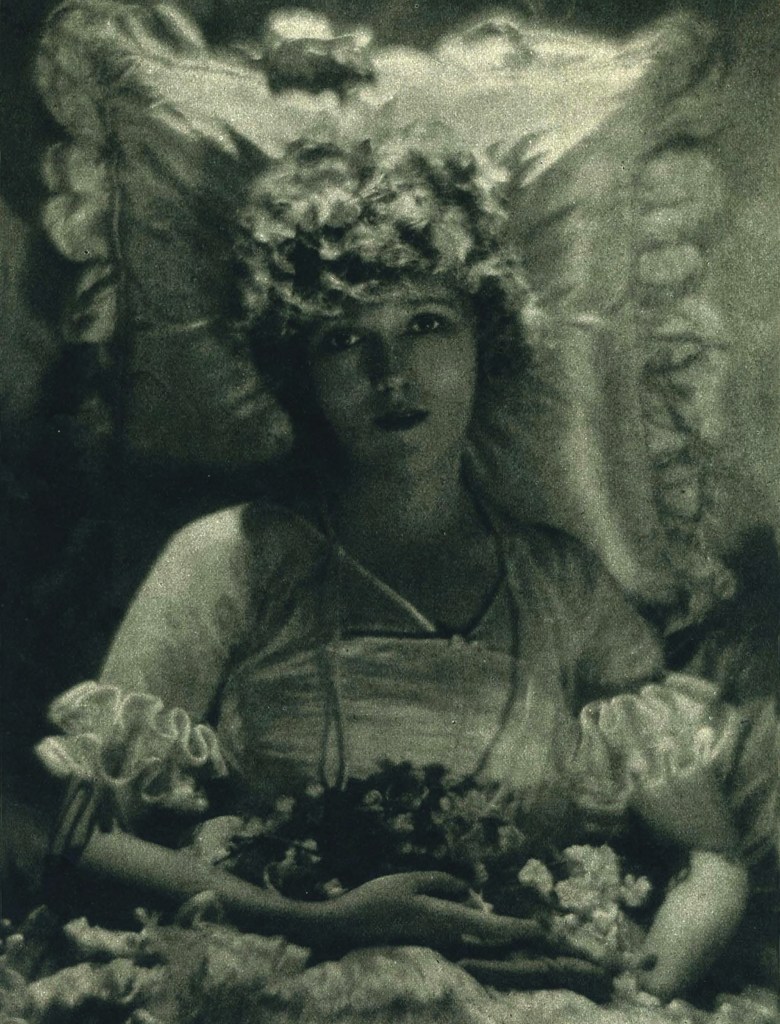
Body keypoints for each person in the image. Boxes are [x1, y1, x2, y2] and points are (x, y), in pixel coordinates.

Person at [37, 125, 775, 1014]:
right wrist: (318, 922)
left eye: (426, 325)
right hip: (275, 984)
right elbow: (79, 840)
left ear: (483, 343)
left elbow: (712, 858)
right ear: (300, 373)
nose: (391, 374)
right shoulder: (229, 556)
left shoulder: (562, 583)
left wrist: (628, 993)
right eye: (343, 340)